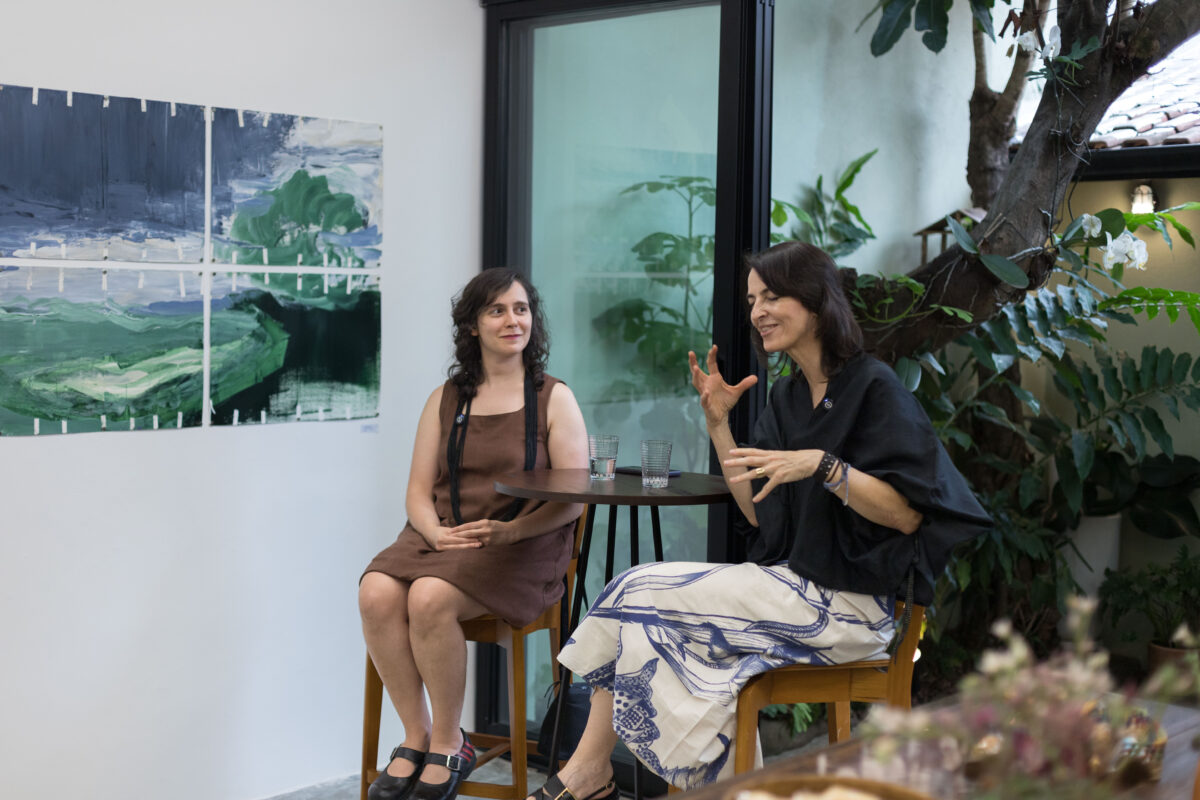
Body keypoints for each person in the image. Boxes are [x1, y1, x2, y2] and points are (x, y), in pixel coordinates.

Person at [532, 241, 991, 799]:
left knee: (636, 589)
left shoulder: (874, 387)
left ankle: (594, 777)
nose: (758, 312)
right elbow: (759, 509)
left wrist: (823, 466)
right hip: (792, 590)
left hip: (854, 608)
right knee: (650, 632)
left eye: (772, 296)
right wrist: (718, 424)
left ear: (817, 301)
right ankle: (602, 775)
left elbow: (908, 515)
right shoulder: (788, 396)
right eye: (752, 300)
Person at [360, 268, 588, 800]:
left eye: (521, 309)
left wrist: (512, 532)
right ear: (472, 326)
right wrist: (435, 534)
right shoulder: (446, 398)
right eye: (497, 311)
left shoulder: (554, 397)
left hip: (522, 544)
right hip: (444, 535)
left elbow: (573, 499)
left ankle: (450, 741)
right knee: (375, 592)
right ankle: (416, 734)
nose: (513, 320)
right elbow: (418, 492)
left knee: (429, 596)